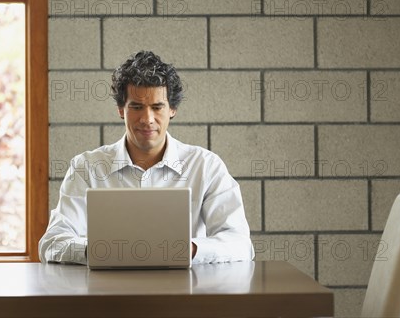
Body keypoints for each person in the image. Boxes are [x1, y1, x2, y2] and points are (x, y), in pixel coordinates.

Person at [39, 51, 254, 264]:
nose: (147, 119)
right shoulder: (86, 168)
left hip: (184, 294)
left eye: (157, 107)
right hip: (105, 295)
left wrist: (190, 249)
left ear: (172, 109)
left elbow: (241, 244)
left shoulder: (206, 166)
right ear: (121, 110)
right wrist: (100, 250)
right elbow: (52, 243)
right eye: (136, 107)